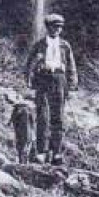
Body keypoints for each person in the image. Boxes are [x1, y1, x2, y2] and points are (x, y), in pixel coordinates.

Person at [24, 13, 78, 165]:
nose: (57, 30)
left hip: (59, 80)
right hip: (43, 80)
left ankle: (57, 153)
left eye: (59, 27)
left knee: (58, 117)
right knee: (42, 116)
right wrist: (29, 82)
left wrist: (72, 86)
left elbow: (71, 66)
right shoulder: (39, 45)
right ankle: (42, 152)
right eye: (54, 27)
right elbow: (28, 65)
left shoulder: (65, 46)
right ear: (48, 28)